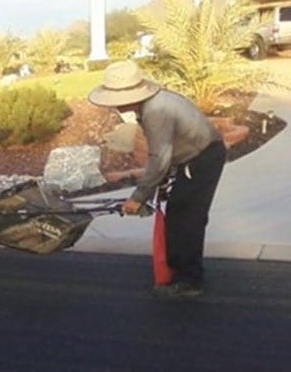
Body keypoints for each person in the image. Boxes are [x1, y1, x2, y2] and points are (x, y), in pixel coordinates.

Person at [88, 60, 226, 299]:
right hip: (193, 158)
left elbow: (159, 158)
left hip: (202, 158)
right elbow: (166, 155)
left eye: (117, 102)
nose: (116, 108)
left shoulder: (156, 111)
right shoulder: (153, 103)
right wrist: (160, 185)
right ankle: (181, 270)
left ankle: (189, 281)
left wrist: (138, 197)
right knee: (179, 215)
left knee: (186, 218)